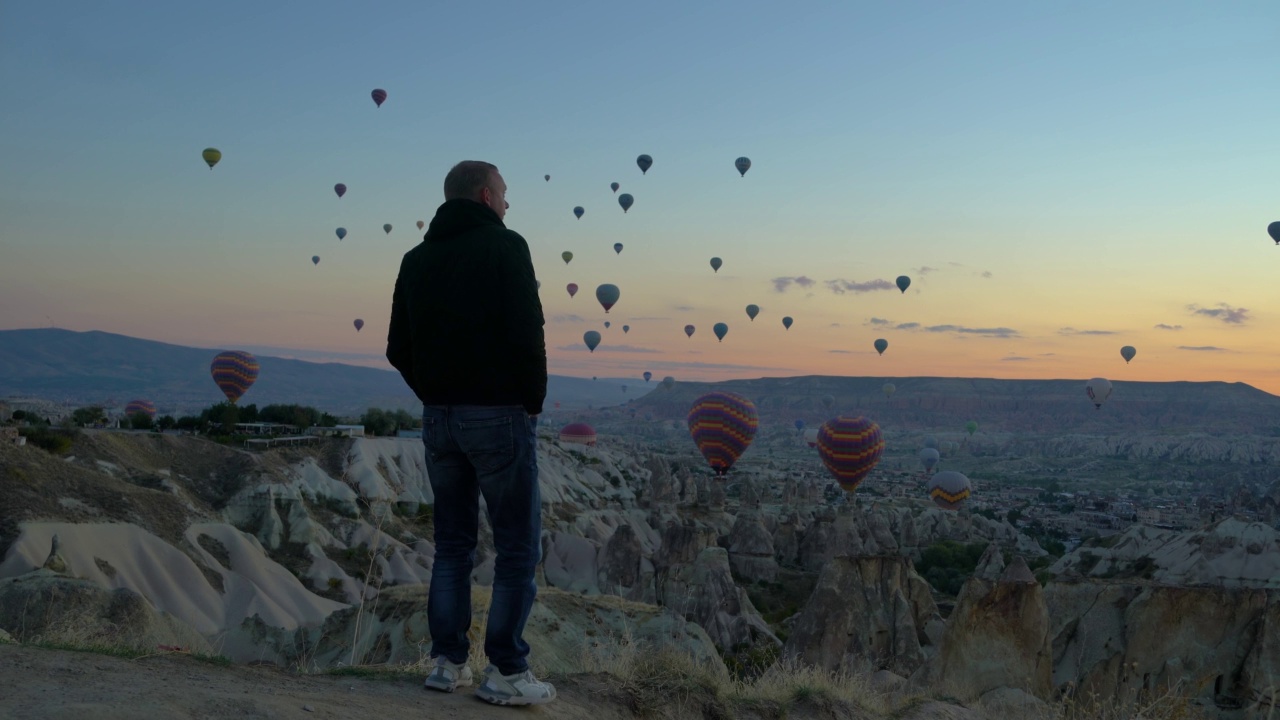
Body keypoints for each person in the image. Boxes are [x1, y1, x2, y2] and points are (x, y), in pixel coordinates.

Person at [386, 161, 553, 706]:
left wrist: (435, 392)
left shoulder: (415, 258)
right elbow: (528, 331)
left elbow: (397, 347)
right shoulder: (506, 247)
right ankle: (505, 670)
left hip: (440, 419)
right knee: (515, 549)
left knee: (453, 546)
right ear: (485, 195)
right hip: (499, 415)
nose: (508, 204)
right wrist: (530, 403)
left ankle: (446, 662)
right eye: (505, 194)